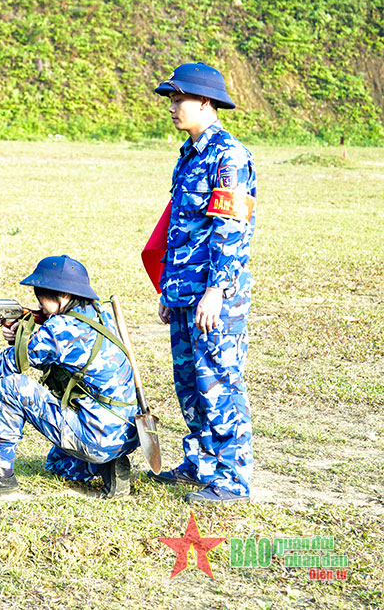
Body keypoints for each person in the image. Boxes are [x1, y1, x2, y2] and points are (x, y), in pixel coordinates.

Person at [0, 256, 140, 499]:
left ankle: (0, 474)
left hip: (97, 434)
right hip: (125, 431)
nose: (38, 303)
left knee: (10, 386)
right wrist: (24, 336)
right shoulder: (99, 313)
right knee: (57, 465)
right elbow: (62, 354)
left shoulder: (58, 330)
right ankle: (107, 463)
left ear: (63, 296)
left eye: (41, 296)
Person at [149, 62, 257, 505]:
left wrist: (216, 289)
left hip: (214, 295)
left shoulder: (228, 157)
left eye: (180, 100)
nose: (173, 108)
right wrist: (168, 290)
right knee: (190, 383)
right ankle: (201, 463)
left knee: (220, 382)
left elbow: (231, 230)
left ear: (206, 103)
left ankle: (232, 480)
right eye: (172, 100)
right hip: (183, 291)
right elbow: (180, 227)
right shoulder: (189, 154)